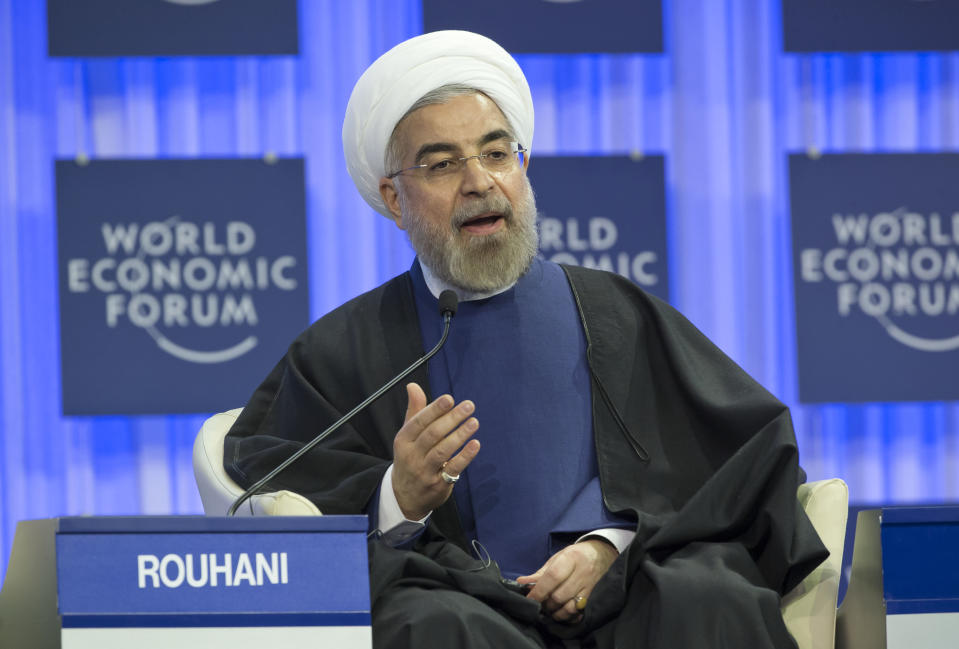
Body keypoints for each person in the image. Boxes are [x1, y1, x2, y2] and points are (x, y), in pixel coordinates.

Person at [224, 30, 827, 649]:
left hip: (626, 595)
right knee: (431, 625)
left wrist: (606, 542)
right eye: (441, 164)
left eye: (495, 153)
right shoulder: (345, 350)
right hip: (461, 605)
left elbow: (739, 452)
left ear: (524, 166)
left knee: (711, 595)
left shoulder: (613, 313)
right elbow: (269, 473)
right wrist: (395, 496)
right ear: (394, 200)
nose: (479, 182)